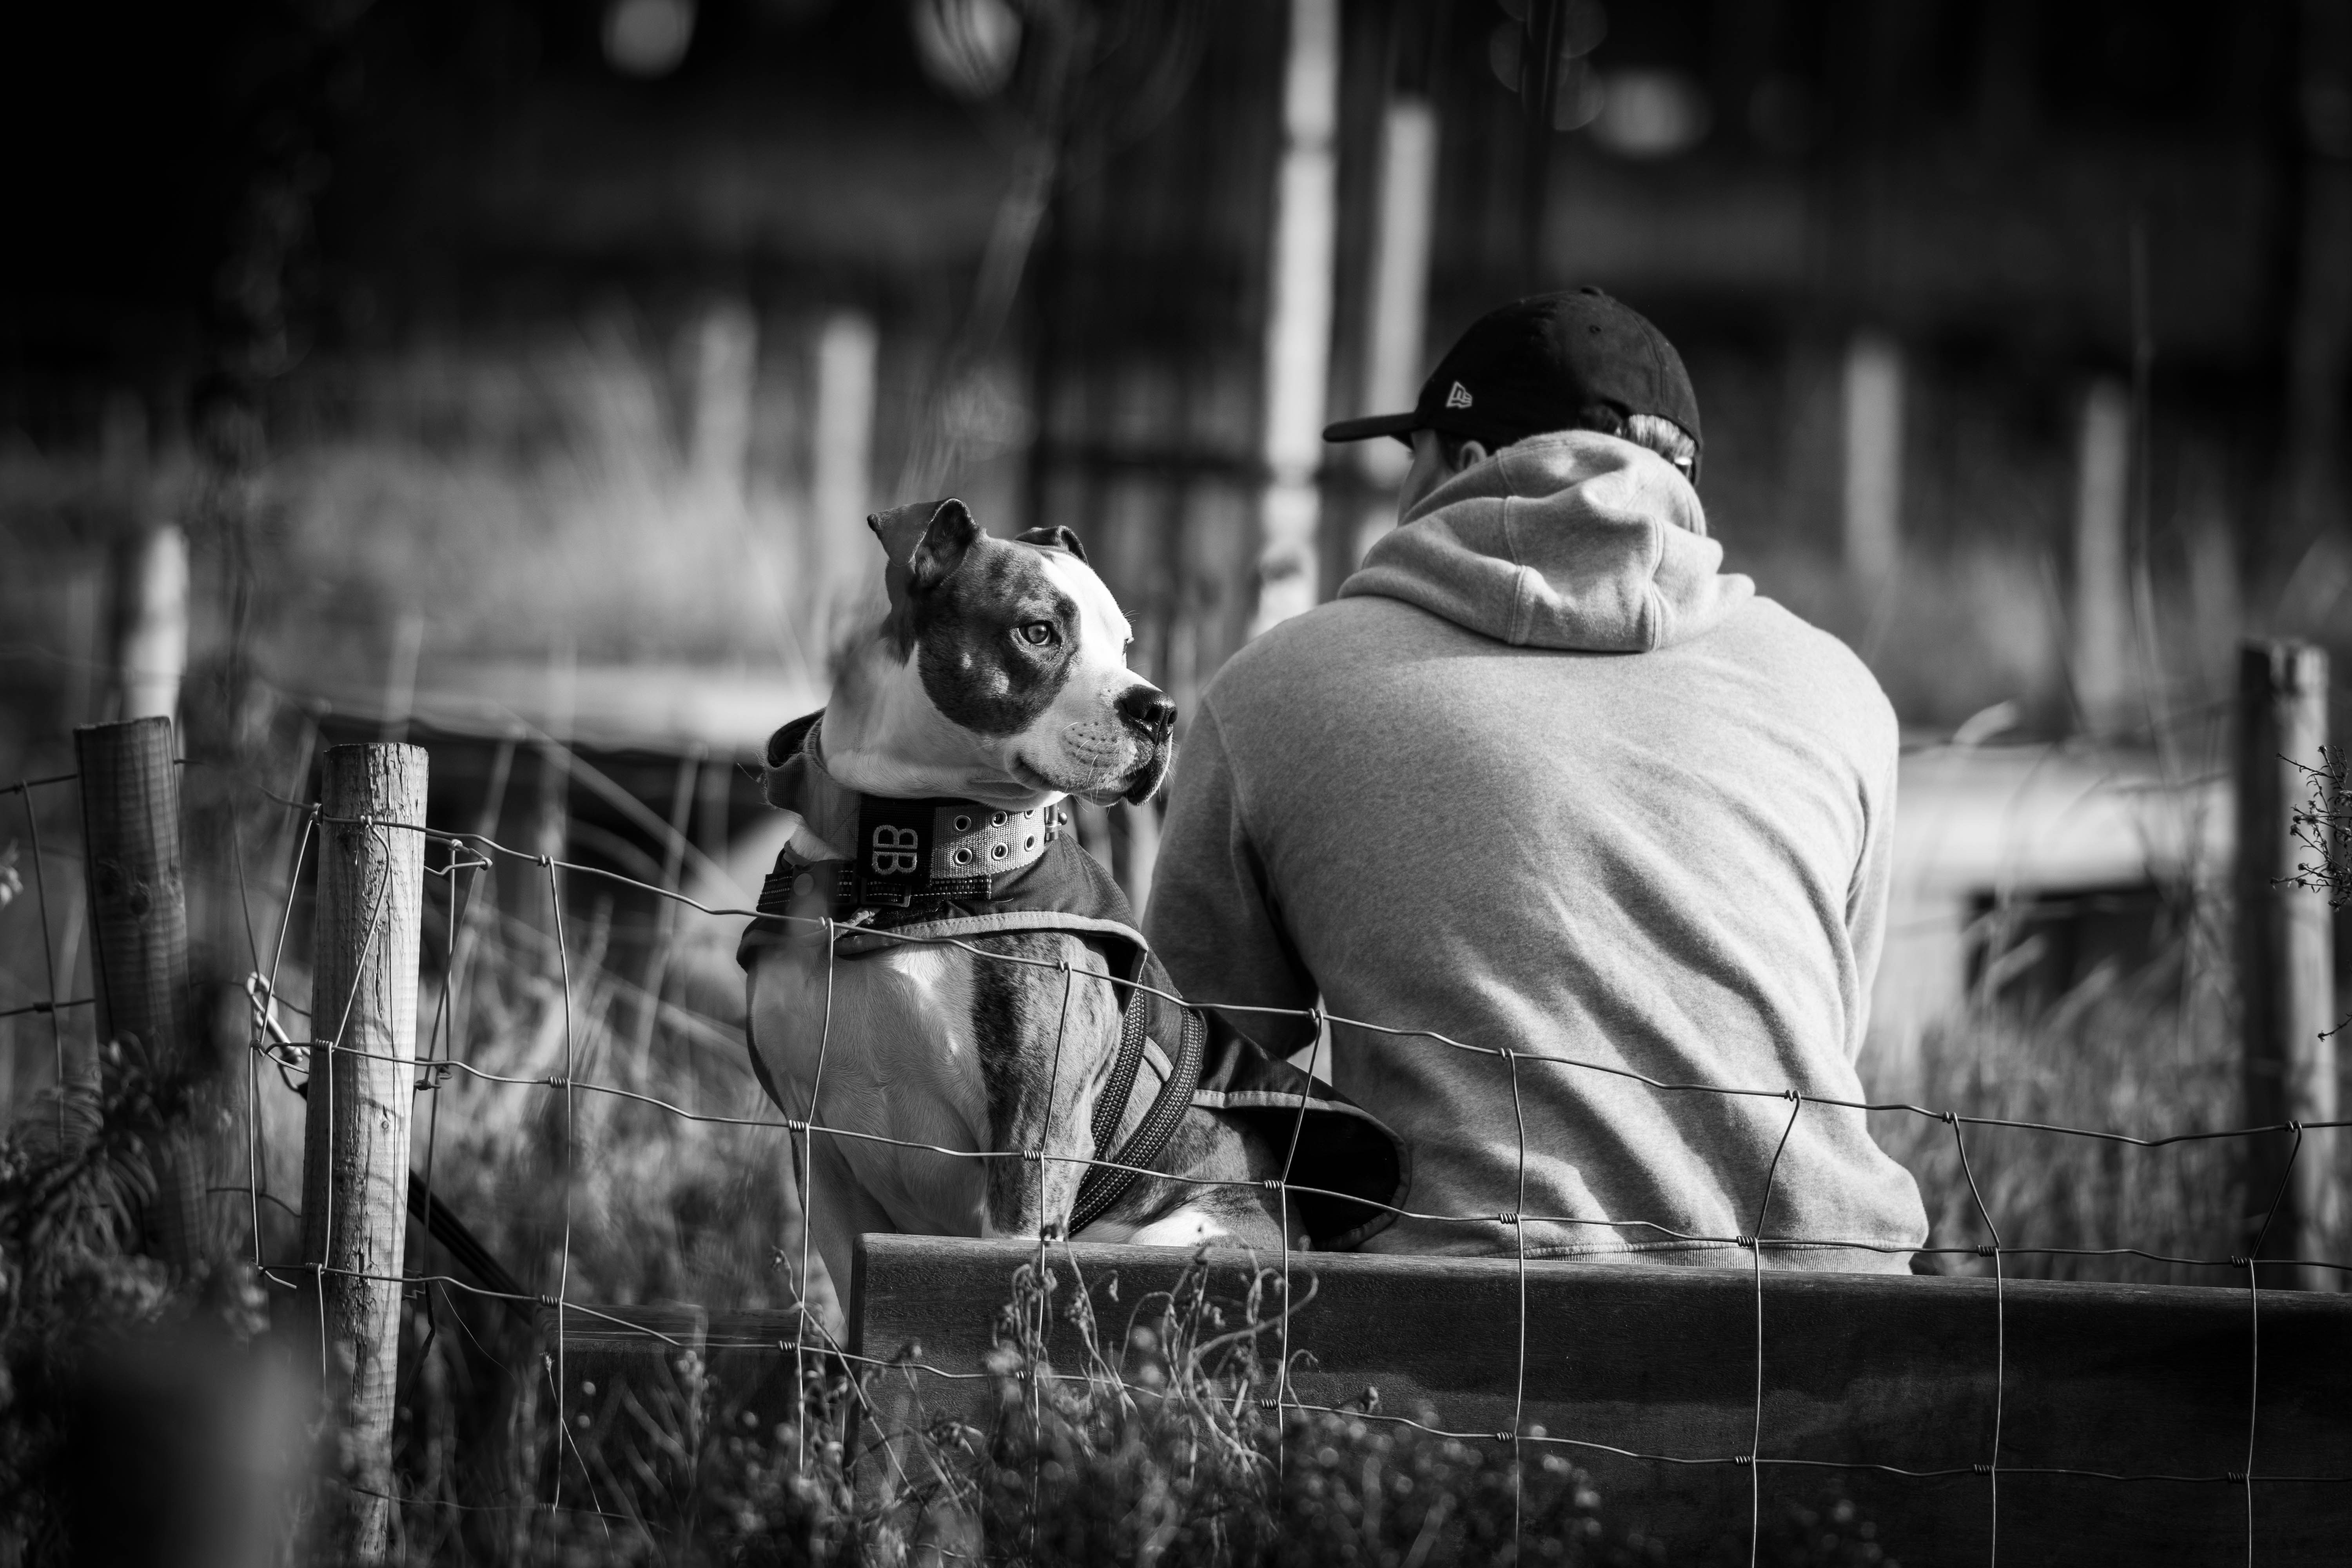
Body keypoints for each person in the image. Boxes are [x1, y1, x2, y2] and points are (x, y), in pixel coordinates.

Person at [1142, 289, 1929, 1270]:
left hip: (1475, 1353)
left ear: (1469, 468)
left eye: (1409, 461)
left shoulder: (1278, 692)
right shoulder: (1839, 692)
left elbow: (1179, 1084)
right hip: (1842, 1327)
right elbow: (1822, 1033)